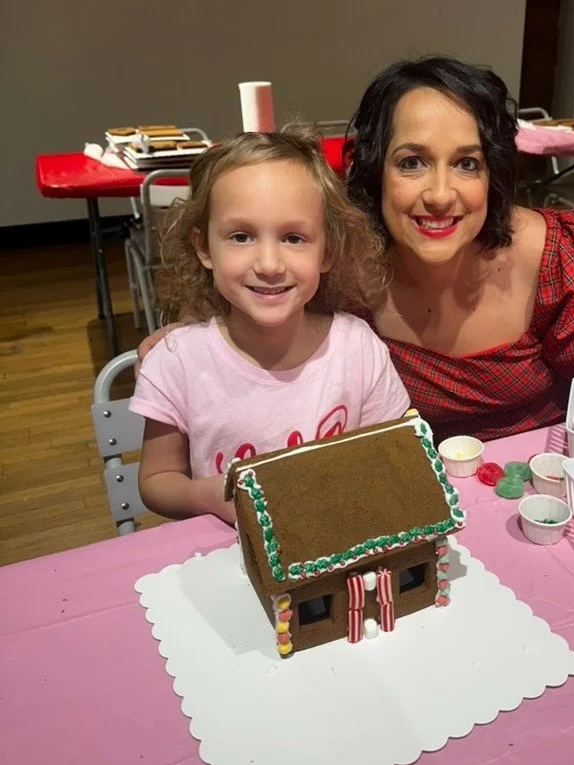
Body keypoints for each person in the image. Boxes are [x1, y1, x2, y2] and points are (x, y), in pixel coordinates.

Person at [138, 56, 574, 444]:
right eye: (412, 162)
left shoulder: (559, 256)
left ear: (493, 174)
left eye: (467, 164)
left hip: (543, 484)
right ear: (374, 169)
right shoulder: (344, 266)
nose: (441, 194)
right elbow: (250, 301)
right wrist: (183, 340)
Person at [129, 131, 409, 524]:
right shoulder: (178, 364)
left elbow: (393, 452)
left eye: (294, 238)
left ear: (326, 250)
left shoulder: (357, 349)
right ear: (204, 248)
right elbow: (156, 479)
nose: (270, 264)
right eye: (241, 236)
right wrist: (205, 495)